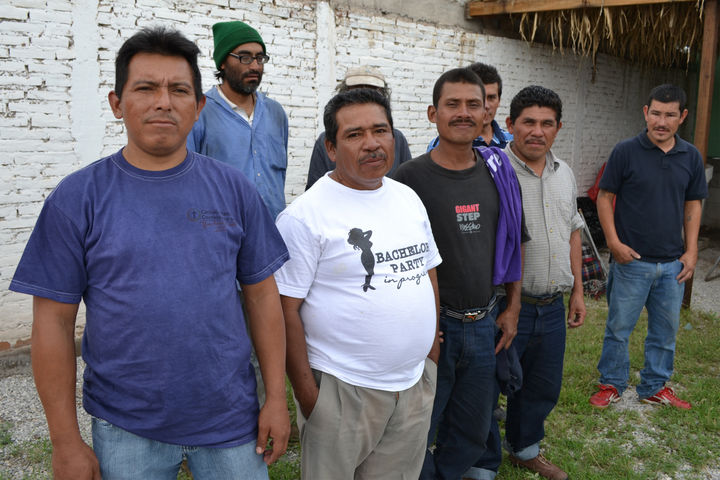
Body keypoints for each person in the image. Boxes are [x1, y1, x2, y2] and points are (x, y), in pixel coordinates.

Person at [9, 27, 290, 479]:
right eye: (145, 88)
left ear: (198, 107)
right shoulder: (77, 198)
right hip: (126, 427)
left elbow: (261, 295)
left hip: (230, 418)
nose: (163, 102)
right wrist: (65, 441)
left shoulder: (234, 190)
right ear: (117, 103)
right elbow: (53, 324)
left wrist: (275, 397)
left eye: (179, 90)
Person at [275, 88, 441, 478]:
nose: (372, 144)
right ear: (331, 148)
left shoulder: (407, 198)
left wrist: (430, 353)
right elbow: (283, 312)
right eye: (354, 134)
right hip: (342, 389)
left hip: (413, 382)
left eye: (380, 130)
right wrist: (309, 396)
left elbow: (428, 269)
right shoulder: (304, 217)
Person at [394, 67, 527, 480]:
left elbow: (515, 241)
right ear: (433, 113)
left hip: (486, 323)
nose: (464, 112)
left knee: (472, 429)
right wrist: (418, 325)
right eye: (452, 104)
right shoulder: (406, 179)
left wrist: (513, 308)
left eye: (473, 104)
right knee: (417, 426)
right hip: (435, 329)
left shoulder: (499, 171)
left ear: (487, 112)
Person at [468, 86, 586, 480]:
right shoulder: (490, 171)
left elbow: (573, 231)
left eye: (547, 123)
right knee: (487, 387)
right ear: (510, 124)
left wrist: (578, 291)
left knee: (541, 385)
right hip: (503, 305)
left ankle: (524, 448)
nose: (537, 131)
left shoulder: (564, 172)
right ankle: (481, 462)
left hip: (552, 305)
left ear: (558, 128)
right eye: (528, 122)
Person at [589, 84, 708, 410]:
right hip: (631, 261)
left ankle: (655, 386)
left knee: (665, 331)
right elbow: (604, 197)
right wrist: (613, 243)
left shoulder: (691, 156)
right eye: (656, 113)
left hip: (672, 265)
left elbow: (693, 204)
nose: (661, 121)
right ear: (645, 112)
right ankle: (611, 383)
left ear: (682, 116)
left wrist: (691, 251)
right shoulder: (625, 151)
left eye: (670, 115)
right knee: (619, 328)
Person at [188, 20, 288, 219]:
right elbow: (189, 181)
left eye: (260, 58)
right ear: (223, 62)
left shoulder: (275, 113)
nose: (254, 66)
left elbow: (279, 178)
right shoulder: (199, 112)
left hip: (273, 229)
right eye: (245, 58)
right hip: (222, 231)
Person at [305, 65, 412, 189]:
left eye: (373, 92)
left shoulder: (397, 138)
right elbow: (316, 187)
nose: (371, 145)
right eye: (354, 135)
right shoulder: (326, 141)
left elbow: (406, 182)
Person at [426, 62, 512, 152]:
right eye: (475, 100)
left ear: (499, 101)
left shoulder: (514, 141)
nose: (485, 105)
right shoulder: (440, 146)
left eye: (491, 98)